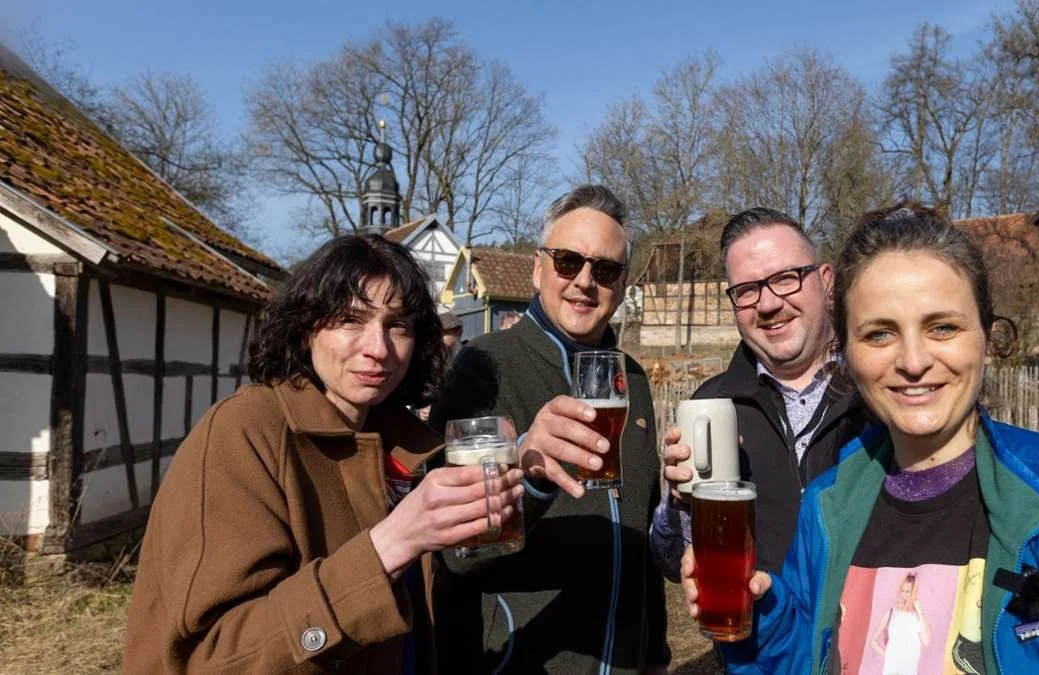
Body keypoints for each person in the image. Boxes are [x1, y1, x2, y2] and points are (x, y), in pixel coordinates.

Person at [683, 203, 1039, 673]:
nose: (912, 361)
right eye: (879, 333)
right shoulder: (828, 508)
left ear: (988, 336)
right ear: (849, 353)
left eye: (943, 328)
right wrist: (759, 620)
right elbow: (799, 661)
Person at [122, 235, 524, 674]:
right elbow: (218, 659)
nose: (379, 348)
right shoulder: (244, 431)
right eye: (350, 319)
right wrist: (392, 544)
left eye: (398, 325)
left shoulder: (406, 446)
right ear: (307, 326)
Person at [429, 184, 670, 673]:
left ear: (622, 286)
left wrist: (656, 653)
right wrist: (528, 476)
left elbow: (639, 535)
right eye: (567, 261)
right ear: (538, 268)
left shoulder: (633, 378)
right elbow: (453, 554)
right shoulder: (482, 367)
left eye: (605, 269)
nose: (585, 281)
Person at [652, 208, 870, 581]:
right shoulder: (712, 405)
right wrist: (681, 505)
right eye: (747, 290)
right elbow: (672, 564)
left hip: (870, 635)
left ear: (826, 281)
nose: (768, 304)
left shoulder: (879, 390)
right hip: (756, 633)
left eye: (786, 278)